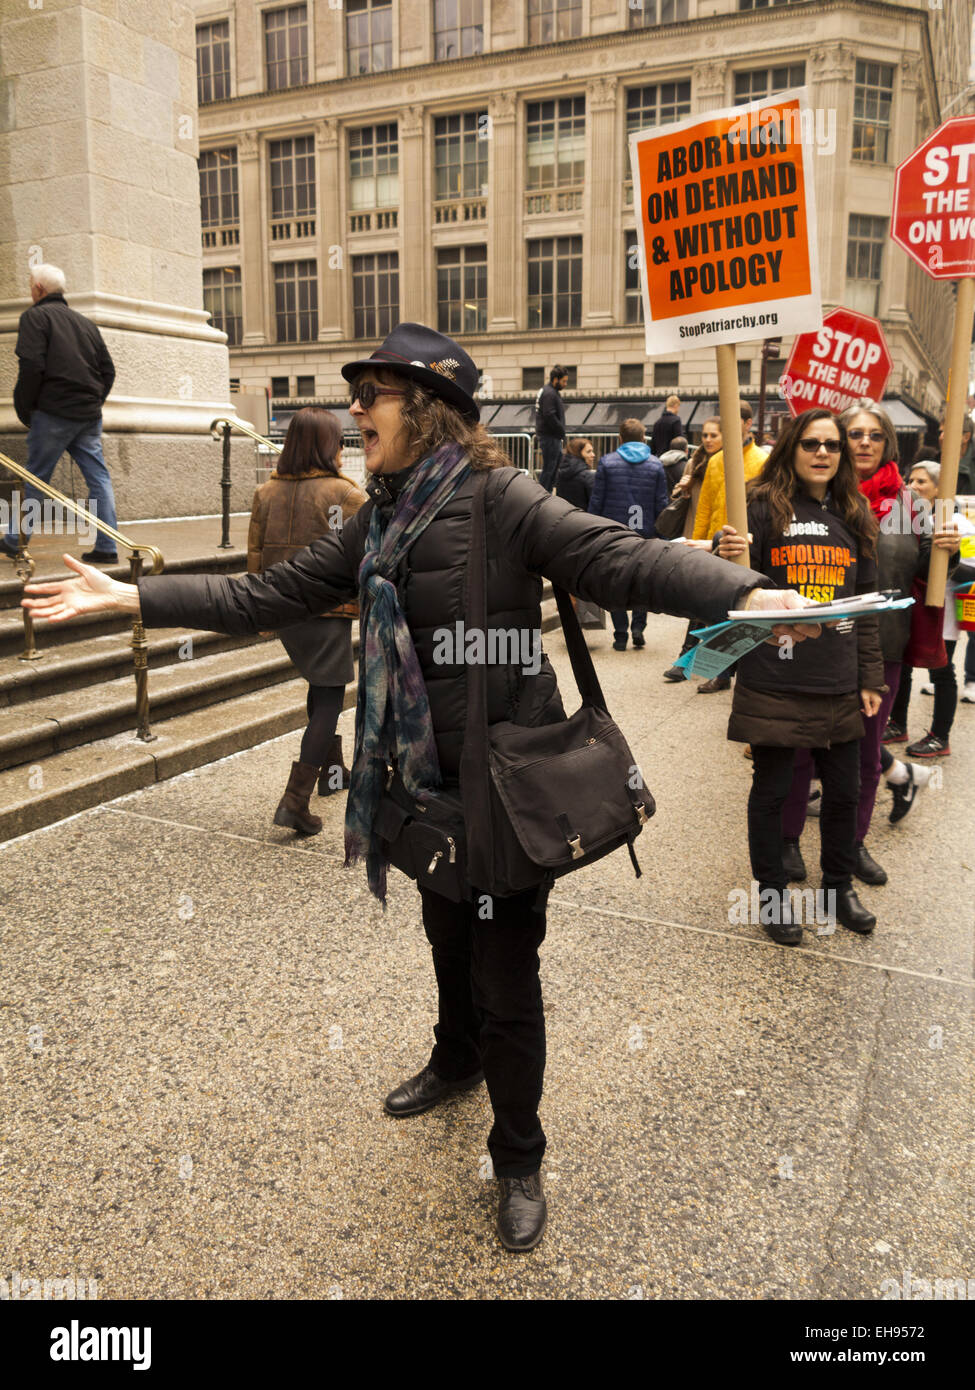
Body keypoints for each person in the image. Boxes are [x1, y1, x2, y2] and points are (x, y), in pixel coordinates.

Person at [23, 322, 814, 1254]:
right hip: (416, 780)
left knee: (507, 980)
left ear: (428, 409)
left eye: (373, 395)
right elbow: (260, 596)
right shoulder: (381, 518)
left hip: (507, 787)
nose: (355, 409)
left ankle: (517, 1157)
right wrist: (133, 598)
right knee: (446, 935)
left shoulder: (503, 495)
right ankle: (455, 1058)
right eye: (356, 395)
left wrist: (743, 592)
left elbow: (618, 556)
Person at [716, 408, 885, 945]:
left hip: (837, 680)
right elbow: (733, 594)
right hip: (774, 676)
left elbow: (867, 608)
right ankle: (771, 896)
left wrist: (870, 678)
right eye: (811, 443)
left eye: (832, 445)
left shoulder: (854, 514)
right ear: (791, 447)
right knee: (771, 792)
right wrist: (731, 561)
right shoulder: (761, 508)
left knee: (843, 791)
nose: (823, 453)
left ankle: (836, 888)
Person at [780, 403, 958, 888]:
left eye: (874, 435)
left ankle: (852, 845)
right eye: (852, 433)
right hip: (813, 645)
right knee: (800, 752)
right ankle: (787, 841)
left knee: (862, 756)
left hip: (882, 648)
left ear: (887, 444)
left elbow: (932, 574)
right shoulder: (816, 497)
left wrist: (947, 549)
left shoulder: (914, 507)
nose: (863, 442)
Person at [248, 407, 367, 835]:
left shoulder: (266, 493)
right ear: (327, 445)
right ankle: (294, 800)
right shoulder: (346, 494)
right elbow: (367, 558)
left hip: (284, 609)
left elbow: (256, 556)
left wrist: (261, 611)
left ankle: (332, 773)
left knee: (320, 687)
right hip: (328, 611)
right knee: (331, 696)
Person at [3, 264, 119, 564]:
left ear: (39, 289)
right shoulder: (85, 323)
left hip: (53, 413)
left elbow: (31, 367)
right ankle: (108, 546)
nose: (30, 289)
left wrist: (26, 410)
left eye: (30, 284)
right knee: (99, 478)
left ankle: (16, 541)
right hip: (88, 415)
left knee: (35, 478)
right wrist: (93, 402)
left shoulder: (35, 317)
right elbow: (108, 370)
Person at [886, 458, 971, 758]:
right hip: (912, 607)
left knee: (942, 673)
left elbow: (970, 566)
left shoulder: (956, 523)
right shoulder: (908, 517)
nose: (913, 486)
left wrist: (951, 552)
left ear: (939, 487)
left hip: (943, 610)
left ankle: (940, 736)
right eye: (910, 480)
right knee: (904, 666)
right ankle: (897, 723)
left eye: (921, 482)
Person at [692, 401, 769, 691]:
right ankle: (722, 673)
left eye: (732, 420)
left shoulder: (762, 460)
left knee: (746, 611)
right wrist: (697, 544)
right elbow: (705, 506)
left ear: (748, 423)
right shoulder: (715, 461)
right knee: (718, 611)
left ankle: (747, 672)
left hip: (748, 547)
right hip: (716, 546)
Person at [588, 419, 669, 650]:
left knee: (615, 581)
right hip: (645, 532)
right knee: (642, 580)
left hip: (614, 532)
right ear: (644, 439)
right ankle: (638, 628)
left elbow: (597, 500)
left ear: (619, 439)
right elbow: (661, 504)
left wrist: (592, 530)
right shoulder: (655, 466)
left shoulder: (607, 463)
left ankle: (620, 634)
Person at [663, 418, 723, 681]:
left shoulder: (728, 464)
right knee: (700, 601)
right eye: (706, 435)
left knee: (713, 604)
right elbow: (678, 499)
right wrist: (683, 488)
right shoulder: (694, 462)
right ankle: (693, 662)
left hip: (721, 540)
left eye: (714, 435)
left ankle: (698, 663)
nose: (708, 440)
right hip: (696, 537)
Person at [534, 365, 568, 493]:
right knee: (549, 470)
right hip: (550, 436)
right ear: (555, 380)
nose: (565, 384)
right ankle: (543, 496)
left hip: (550, 436)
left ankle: (544, 495)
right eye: (563, 381)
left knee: (551, 469)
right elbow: (549, 415)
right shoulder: (550, 393)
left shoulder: (548, 391)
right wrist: (561, 431)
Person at [554, 436, 596, 509]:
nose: (593, 455)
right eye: (589, 451)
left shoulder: (561, 473)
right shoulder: (588, 476)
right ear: (578, 453)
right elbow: (594, 503)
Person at [940, 414, 975, 495]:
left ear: (966, 437)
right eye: (941, 432)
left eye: (947, 432)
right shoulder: (934, 460)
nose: (941, 437)